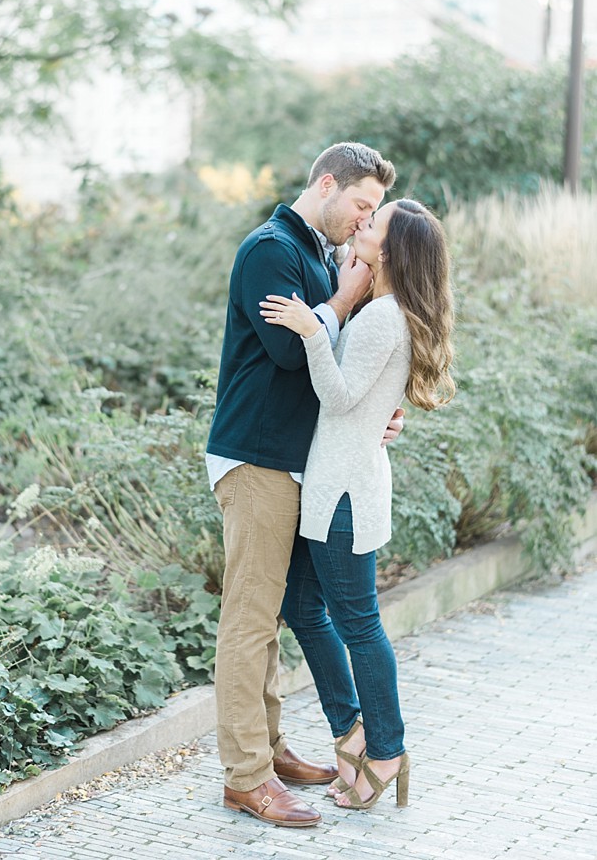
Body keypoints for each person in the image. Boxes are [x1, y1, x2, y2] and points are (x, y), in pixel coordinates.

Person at [206, 142, 401, 828]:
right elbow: (292, 349)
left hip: (296, 463)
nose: (364, 220)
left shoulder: (315, 252)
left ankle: (270, 748)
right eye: (362, 204)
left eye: (373, 210)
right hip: (257, 459)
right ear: (327, 184)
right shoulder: (271, 249)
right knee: (249, 619)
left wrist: (375, 414)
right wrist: (345, 294)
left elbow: (330, 368)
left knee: (273, 617)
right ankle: (246, 777)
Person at [261, 197, 455, 812]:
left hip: (343, 492)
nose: (362, 227)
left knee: (358, 624)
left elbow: (340, 398)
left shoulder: (381, 317)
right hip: (340, 484)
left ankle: (386, 747)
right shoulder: (385, 309)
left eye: (373, 225)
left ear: (390, 251)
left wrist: (313, 331)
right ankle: (354, 731)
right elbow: (367, 403)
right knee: (302, 604)